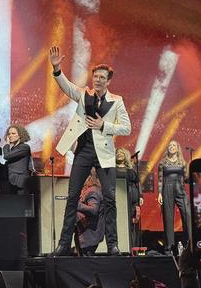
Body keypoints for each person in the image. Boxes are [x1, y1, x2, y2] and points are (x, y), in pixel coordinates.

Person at [49, 46, 132, 256]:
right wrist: (57, 69)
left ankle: (112, 244)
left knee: (110, 198)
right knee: (72, 197)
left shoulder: (117, 101)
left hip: (104, 154)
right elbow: (67, 87)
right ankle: (63, 245)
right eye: (95, 76)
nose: (98, 80)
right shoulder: (84, 94)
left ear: (108, 81)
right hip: (84, 151)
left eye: (102, 77)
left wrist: (104, 125)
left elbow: (126, 128)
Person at [157, 140, 190, 253]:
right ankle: (169, 247)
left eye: (174, 145)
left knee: (187, 214)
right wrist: (159, 193)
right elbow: (160, 179)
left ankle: (188, 244)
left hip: (180, 189)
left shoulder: (183, 162)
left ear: (177, 148)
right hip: (167, 188)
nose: (171, 147)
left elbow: (186, 178)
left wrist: (193, 176)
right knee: (168, 217)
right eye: (170, 145)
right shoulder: (163, 163)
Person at [116, 147, 143, 248]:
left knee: (132, 223)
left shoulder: (131, 169)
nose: (119, 154)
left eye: (121, 153)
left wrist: (140, 196)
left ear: (125, 155)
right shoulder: (112, 170)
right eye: (117, 153)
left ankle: (132, 246)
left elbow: (137, 183)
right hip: (118, 199)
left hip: (132, 198)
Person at [75, 169, 104, 256]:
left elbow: (93, 210)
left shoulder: (93, 191)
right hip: (84, 233)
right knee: (83, 258)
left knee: (87, 259)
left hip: (90, 234)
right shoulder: (86, 190)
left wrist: (76, 204)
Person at [2, 124, 32, 195]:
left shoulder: (24, 147)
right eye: (9, 134)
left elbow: (7, 156)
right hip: (12, 181)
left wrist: (7, 145)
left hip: (20, 182)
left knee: (21, 201)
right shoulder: (13, 149)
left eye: (13, 133)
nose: (10, 136)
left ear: (20, 135)